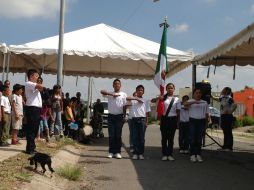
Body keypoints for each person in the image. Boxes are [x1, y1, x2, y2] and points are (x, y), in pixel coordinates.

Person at [101, 78, 127, 159]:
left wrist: (124, 115)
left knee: (118, 135)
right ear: (113, 85)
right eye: (115, 84)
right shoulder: (110, 94)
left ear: (120, 85)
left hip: (119, 116)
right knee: (111, 135)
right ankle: (111, 152)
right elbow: (102, 91)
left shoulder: (123, 94)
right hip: (111, 116)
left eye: (118, 84)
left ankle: (118, 152)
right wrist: (112, 95)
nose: (117, 85)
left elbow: (125, 106)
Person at [157, 83, 181, 161]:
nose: (170, 89)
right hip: (164, 119)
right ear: (166, 89)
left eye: (171, 88)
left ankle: (170, 154)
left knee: (171, 138)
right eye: (168, 88)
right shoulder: (163, 98)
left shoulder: (177, 99)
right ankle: (164, 154)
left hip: (173, 120)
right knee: (164, 138)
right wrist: (158, 98)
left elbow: (178, 112)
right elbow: (153, 101)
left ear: (174, 89)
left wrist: (178, 122)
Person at [184, 88, 209, 162]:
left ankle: (198, 155)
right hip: (192, 121)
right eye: (196, 93)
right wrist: (193, 102)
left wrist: (206, 124)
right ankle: (192, 155)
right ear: (194, 94)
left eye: (199, 93)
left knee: (199, 139)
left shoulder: (204, 102)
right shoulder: (190, 101)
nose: (198, 94)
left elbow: (206, 114)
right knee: (192, 138)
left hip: (201, 121)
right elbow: (185, 105)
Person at [126, 85, 150, 160]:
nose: (140, 91)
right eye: (139, 90)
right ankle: (135, 153)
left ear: (143, 92)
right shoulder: (133, 100)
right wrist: (136, 98)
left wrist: (147, 122)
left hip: (142, 120)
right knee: (135, 137)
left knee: (141, 138)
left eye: (141, 90)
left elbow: (147, 113)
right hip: (134, 120)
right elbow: (127, 98)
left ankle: (141, 153)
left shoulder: (146, 100)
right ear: (136, 91)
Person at [24, 69, 43, 154]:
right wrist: (40, 83)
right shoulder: (29, 83)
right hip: (32, 108)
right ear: (31, 76)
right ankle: (29, 149)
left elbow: (41, 89)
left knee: (35, 129)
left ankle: (32, 147)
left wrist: (39, 83)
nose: (38, 77)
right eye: (36, 76)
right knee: (31, 129)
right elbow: (41, 87)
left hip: (36, 109)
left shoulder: (34, 85)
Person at [212, 87, 237, 151]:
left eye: (224, 89)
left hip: (228, 116)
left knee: (228, 132)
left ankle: (229, 147)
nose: (222, 90)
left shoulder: (229, 98)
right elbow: (217, 99)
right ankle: (225, 146)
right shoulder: (223, 97)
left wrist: (230, 111)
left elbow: (235, 105)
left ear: (226, 91)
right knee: (225, 132)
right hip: (223, 116)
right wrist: (211, 96)